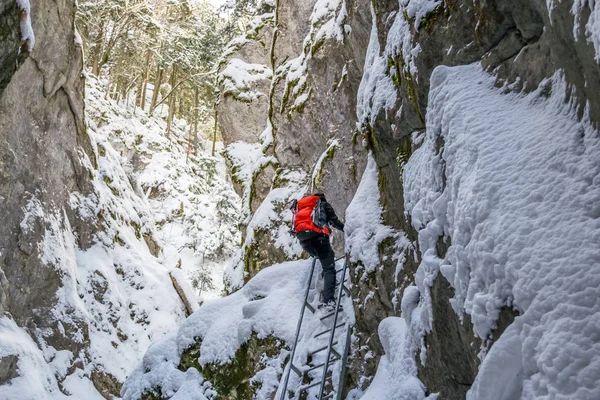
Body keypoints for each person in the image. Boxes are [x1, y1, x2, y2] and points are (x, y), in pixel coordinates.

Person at [291, 193, 344, 310]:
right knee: (329, 267)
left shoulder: (302, 208)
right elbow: (334, 221)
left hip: (304, 241)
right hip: (319, 238)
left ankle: (325, 281)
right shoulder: (322, 204)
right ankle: (328, 300)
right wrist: (346, 229)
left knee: (322, 259)